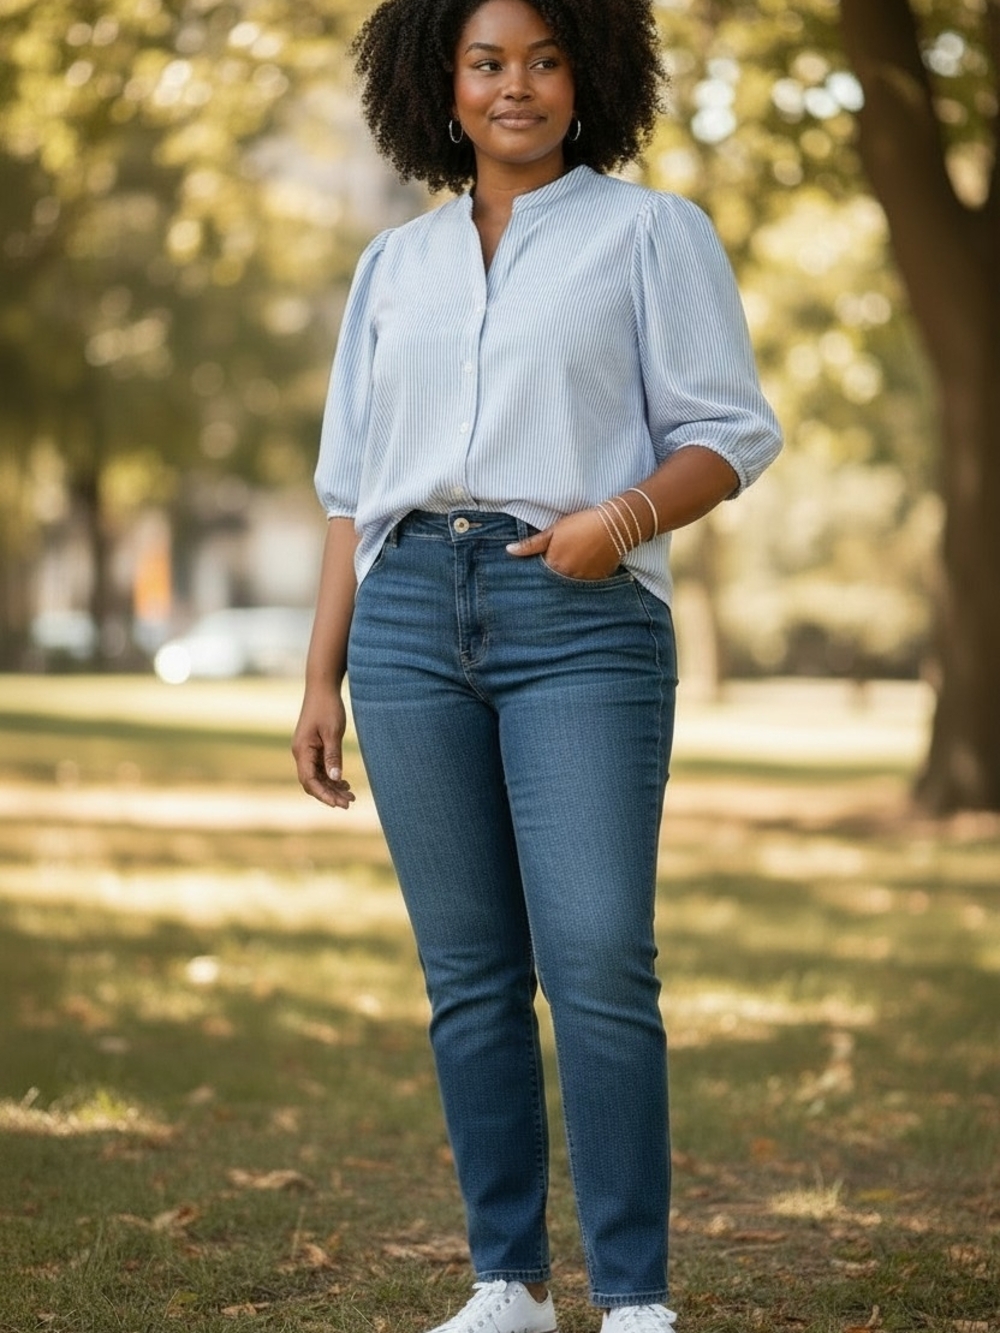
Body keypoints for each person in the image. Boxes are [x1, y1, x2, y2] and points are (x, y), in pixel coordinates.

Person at [292, 0, 782, 1329]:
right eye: (488, 62)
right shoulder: (393, 265)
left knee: (599, 953)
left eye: (546, 59)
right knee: (467, 971)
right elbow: (351, 491)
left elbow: (730, 435)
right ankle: (505, 1283)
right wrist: (318, 676)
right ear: (438, 85)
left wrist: (611, 523)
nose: (519, 86)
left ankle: (634, 1298)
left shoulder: (647, 233)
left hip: (580, 613)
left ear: (590, 75)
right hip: (404, 620)